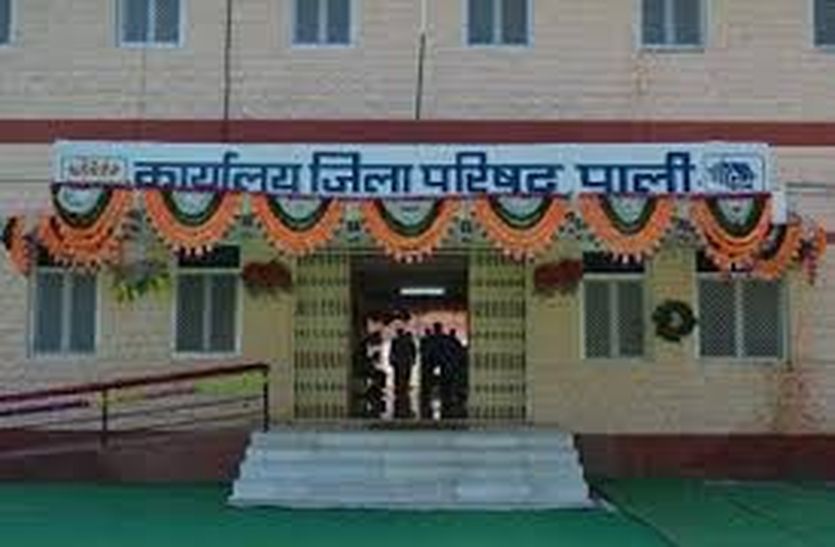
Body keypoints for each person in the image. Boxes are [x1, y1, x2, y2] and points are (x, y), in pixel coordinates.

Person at [389, 327, 416, 419]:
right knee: (405, 375)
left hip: (399, 361)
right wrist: (413, 360)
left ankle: (400, 387)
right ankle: (404, 387)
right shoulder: (407, 341)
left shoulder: (396, 341)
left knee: (399, 375)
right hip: (406, 360)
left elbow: (392, 352)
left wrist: (391, 360)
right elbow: (413, 351)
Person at [419, 327, 437, 420]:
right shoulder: (432, 340)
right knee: (428, 376)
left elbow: (421, 350)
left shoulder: (424, 340)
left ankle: (426, 389)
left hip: (426, 361)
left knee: (425, 376)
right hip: (430, 361)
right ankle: (428, 388)